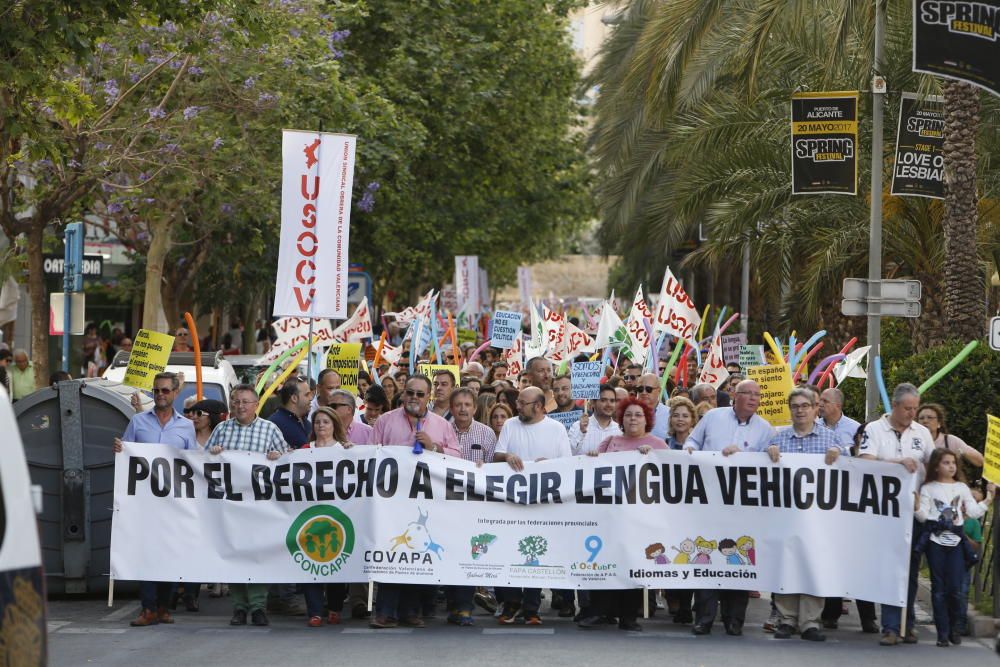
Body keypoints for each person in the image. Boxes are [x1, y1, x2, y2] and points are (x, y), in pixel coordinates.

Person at [684, 379, 775, 637]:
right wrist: (692, 455)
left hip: (741, 510)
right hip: (708, 503)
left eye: (758, 394)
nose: (755, 398)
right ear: (735, 395)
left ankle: (734, 620)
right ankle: (704, 618)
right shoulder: (712, 417)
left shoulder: (765, 429)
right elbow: (691, 443)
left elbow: (769, 461)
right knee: (707, 558)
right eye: (749, 393)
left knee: (739, 561)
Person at [368, 375, 460, 629]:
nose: (414, 398)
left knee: (417, 555)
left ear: (428, 397)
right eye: (410, 393)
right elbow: (369, 452)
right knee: (391, 554)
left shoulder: (441, 425)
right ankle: (385, 612)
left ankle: (411, 611)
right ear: (403, 394)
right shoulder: (386, 421)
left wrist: (435, 448)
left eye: (420, 394)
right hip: (390, 503)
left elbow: (457, 457)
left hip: (424, 503)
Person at [113, 372, 196, 626]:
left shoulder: (186, 426)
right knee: (147, 553)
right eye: (157, 390)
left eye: (165, 391)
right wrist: (120, 449)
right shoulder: (138, 422)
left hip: (173, 503)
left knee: (169, 553)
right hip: (144, 503)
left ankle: (163, 607)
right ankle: (147, 608)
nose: (160, 395)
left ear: (175, 393)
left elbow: (193, 462)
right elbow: (127, 455)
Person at [764, 388, 845, 642]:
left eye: (805, 406)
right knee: (787, 565)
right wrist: (767, 455)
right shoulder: (779, 439)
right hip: (786, 516)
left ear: (815, 408)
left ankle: (810, 621)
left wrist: (840, 456)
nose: (800, 410)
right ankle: (787, 619)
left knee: (813, 565)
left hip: (818, 520)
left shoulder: (831, 439)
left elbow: (851, 474)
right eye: (795, 406)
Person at [577, 397, 666, 631]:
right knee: (605, 563)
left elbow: (668, 476)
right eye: (628, 415)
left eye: (638, 415)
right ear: (621, 419)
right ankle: (599, 611)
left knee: (633, 564)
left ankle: (629, 617)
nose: (633, 418)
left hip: (640, 518)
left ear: (647, 419)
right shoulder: (610, 442)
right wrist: (594, 458)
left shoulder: (657, 445)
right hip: (610, 516)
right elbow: (593, 470)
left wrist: (651, 458)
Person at [858, 382, 934, 646]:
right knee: (891, 569)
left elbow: (932, 465)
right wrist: (896, 464)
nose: (912, 413)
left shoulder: (922, 433)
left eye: (915, 408)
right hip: (884, 512)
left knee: (910, 570)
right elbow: (865, 463)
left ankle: (907, 623)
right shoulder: (875, 430)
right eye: (907, 408)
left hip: (912, 511)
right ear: (895, 405)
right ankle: (891, 626)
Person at [205, 384, 286, 627]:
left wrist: (278, 457)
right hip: (230, 506)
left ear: (256, 404)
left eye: (245, 402)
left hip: (260, 506)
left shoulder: (270, 429)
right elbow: (203, 462)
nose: (240, 406)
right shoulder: (221, 429)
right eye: (236, 401)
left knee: (258, 555)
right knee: (235, 554)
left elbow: (287, 461)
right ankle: (239, 607)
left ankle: (259, 606)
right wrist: (214, 453)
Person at [493, 387, 572, 625]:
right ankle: (511, 603)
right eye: (518, 401)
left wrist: (549, 465)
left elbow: (567, 464)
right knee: (510, 552)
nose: (517, 405)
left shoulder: (556, 429)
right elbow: (496, 455)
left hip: (542, 504)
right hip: (512, 502)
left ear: (538, 406)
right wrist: (507, 457)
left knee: (534, 553)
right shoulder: (510, 425)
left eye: (523, 403)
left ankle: (531, 608)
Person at [915, 449, 995, 647]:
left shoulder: (961, 487)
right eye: (946, 463)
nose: (951, 466)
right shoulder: (929, 488)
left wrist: (988, 499)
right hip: (936, 543)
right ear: (936, 466)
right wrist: (916, 506)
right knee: (939, 589)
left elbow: (973, 512)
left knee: (956, 589)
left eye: (953, 463)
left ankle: (955, 626)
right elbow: (924, 516)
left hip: (957, 543)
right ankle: (943, 633)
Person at [445, 388, 498, 626]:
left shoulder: (486, 433)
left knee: (468, 554)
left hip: (476, 505)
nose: (463, 409)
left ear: (475, 408)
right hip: (446, 503)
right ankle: (454, 604)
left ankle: (464, 607)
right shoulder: (443, 429)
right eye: (458, 404)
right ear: (451, 407)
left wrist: (484, 467)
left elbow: (496, 469)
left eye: (468, 404)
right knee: (449, 553)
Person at [300, 406, 352, 626]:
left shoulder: (346, 450)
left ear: (334, 425)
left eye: (326, 422)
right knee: (309, 561)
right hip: (308, 514)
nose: (321, 425)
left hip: (337, 514)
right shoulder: (304, 449)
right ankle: (314, 611)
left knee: (336, 562)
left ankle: (334, 607)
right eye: (317, 422)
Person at [917, 403, 984, 468]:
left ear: (939, 423)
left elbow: (980, 461)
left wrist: (961, 451)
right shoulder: (911, 440)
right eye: (921, 418)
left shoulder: (950, 440)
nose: (925, 421)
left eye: (930, 417)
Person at [568, 384, 621, 455]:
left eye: (612, 401)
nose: (609, 404)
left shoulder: (620, 430)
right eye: (603, 400)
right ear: (593, 403)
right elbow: (568, 454)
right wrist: (581, 433)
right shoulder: (577, 426)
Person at [268, 377, 313, 449]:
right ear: (294, 398)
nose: (311, 398)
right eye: (307, 395)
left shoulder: (307, 423)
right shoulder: (273, 424)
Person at [635, 373, 670, 440]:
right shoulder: (629, 412)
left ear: (659, 390)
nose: (644, 392)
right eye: (640, 389)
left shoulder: (670, 413)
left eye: (648, 389)